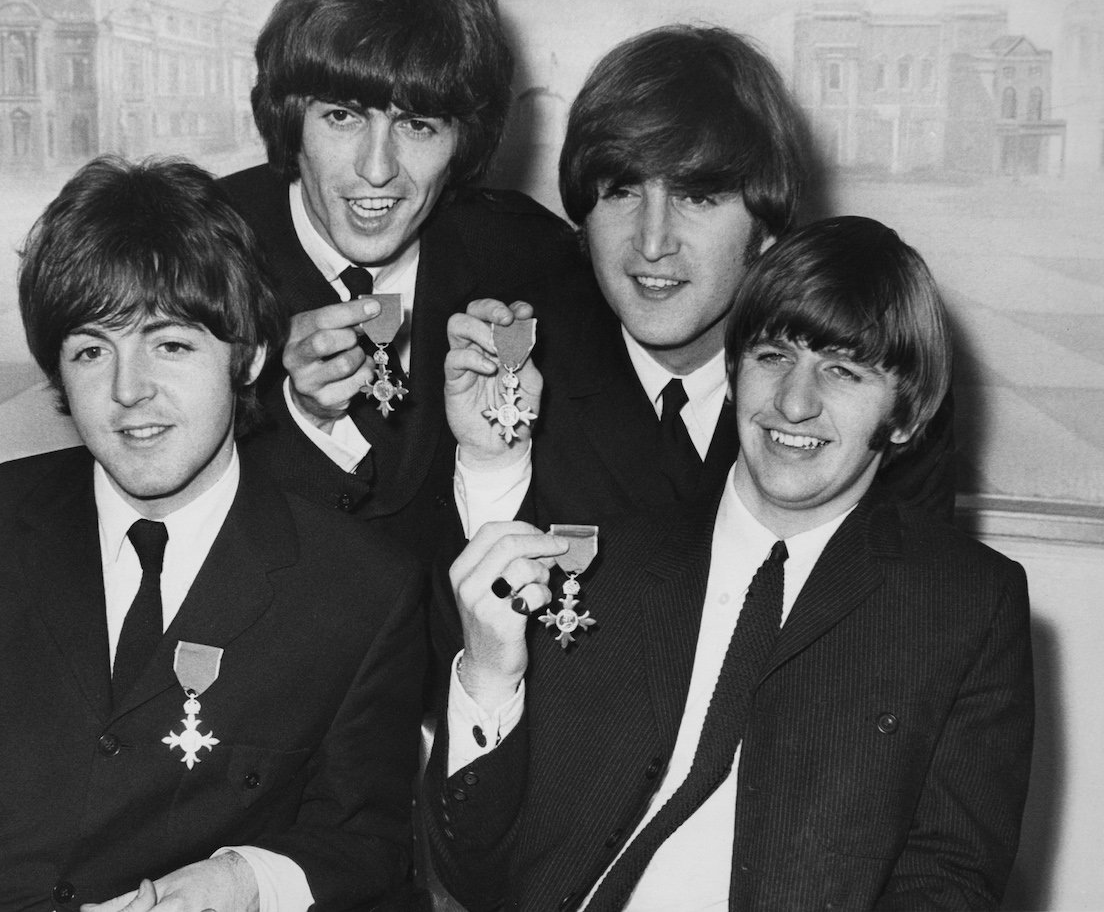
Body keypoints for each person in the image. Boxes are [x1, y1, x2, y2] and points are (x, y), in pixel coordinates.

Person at [0, 156, 425, 911]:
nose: (128, 390)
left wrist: (246, 880)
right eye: (91, 350)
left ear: (250, 355)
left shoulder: (362, 589)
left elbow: (366, 847)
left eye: (170, 344)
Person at [426, 217, 1034, 910]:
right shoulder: (599, 562)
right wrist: (488, 682)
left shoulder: (964, 604)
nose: (794, 404)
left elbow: (949, 884)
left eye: (841, 370)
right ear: (736, 367)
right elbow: (473, 870)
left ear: (903, 415)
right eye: (774, 356)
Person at [444, 26, 956, 546]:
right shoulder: (505, 369)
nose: (652, 243)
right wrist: (491, 468)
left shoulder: (867, 394)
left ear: (768, 226)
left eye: (697, 198)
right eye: (622, 191)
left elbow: (906, 612)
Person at [216, 0, 582, 566]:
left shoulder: (533, 260)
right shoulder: (198, 248)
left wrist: (498, 447)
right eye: (342, 116)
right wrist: (304, 418)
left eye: (417, 125)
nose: (378, 169)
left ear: (463, 139)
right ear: (288, 119)